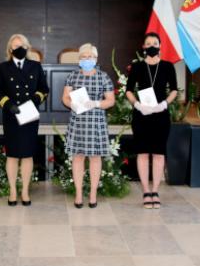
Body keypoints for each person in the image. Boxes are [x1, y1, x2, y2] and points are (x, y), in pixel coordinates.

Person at [0, 34, 49, 206]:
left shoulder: (35, 66)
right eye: (16, 46)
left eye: (23, 45)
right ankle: (12, 190)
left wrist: (35, 99)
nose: (20, 49)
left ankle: (25, 190)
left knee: (27, 154)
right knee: (12, 155)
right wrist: (8, 104)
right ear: (10, 49)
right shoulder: (2, 67)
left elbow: (44, 89)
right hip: (11, 116)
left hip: (29, 115)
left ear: (27, 47)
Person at [125, 32, 177, 208]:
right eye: (148, 43)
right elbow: (129, 90)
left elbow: (174, 90)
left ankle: (155, 191)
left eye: (155, 43)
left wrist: (164, 104)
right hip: (142, 115)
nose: (152, 46)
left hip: (160, 114)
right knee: (142, 153)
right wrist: (137, 105)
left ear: (160, 46)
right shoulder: (137, 66)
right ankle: (146, 191)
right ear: (144, 47)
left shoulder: (168, 66)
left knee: (158, 153)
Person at [61, 43, 115, 208]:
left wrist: (96, 103)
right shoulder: (72, 76)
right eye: (83, 57)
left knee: (95, 158)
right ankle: (78, 194)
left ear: (96, 59)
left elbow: (110, 101)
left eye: (89, 56)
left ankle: (93, 194)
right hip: (78, 122)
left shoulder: (103, 77)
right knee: (78, 157)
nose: (86, 59)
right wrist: (71, 104)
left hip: (96, 122)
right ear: (79, 59)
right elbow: (65, 97)